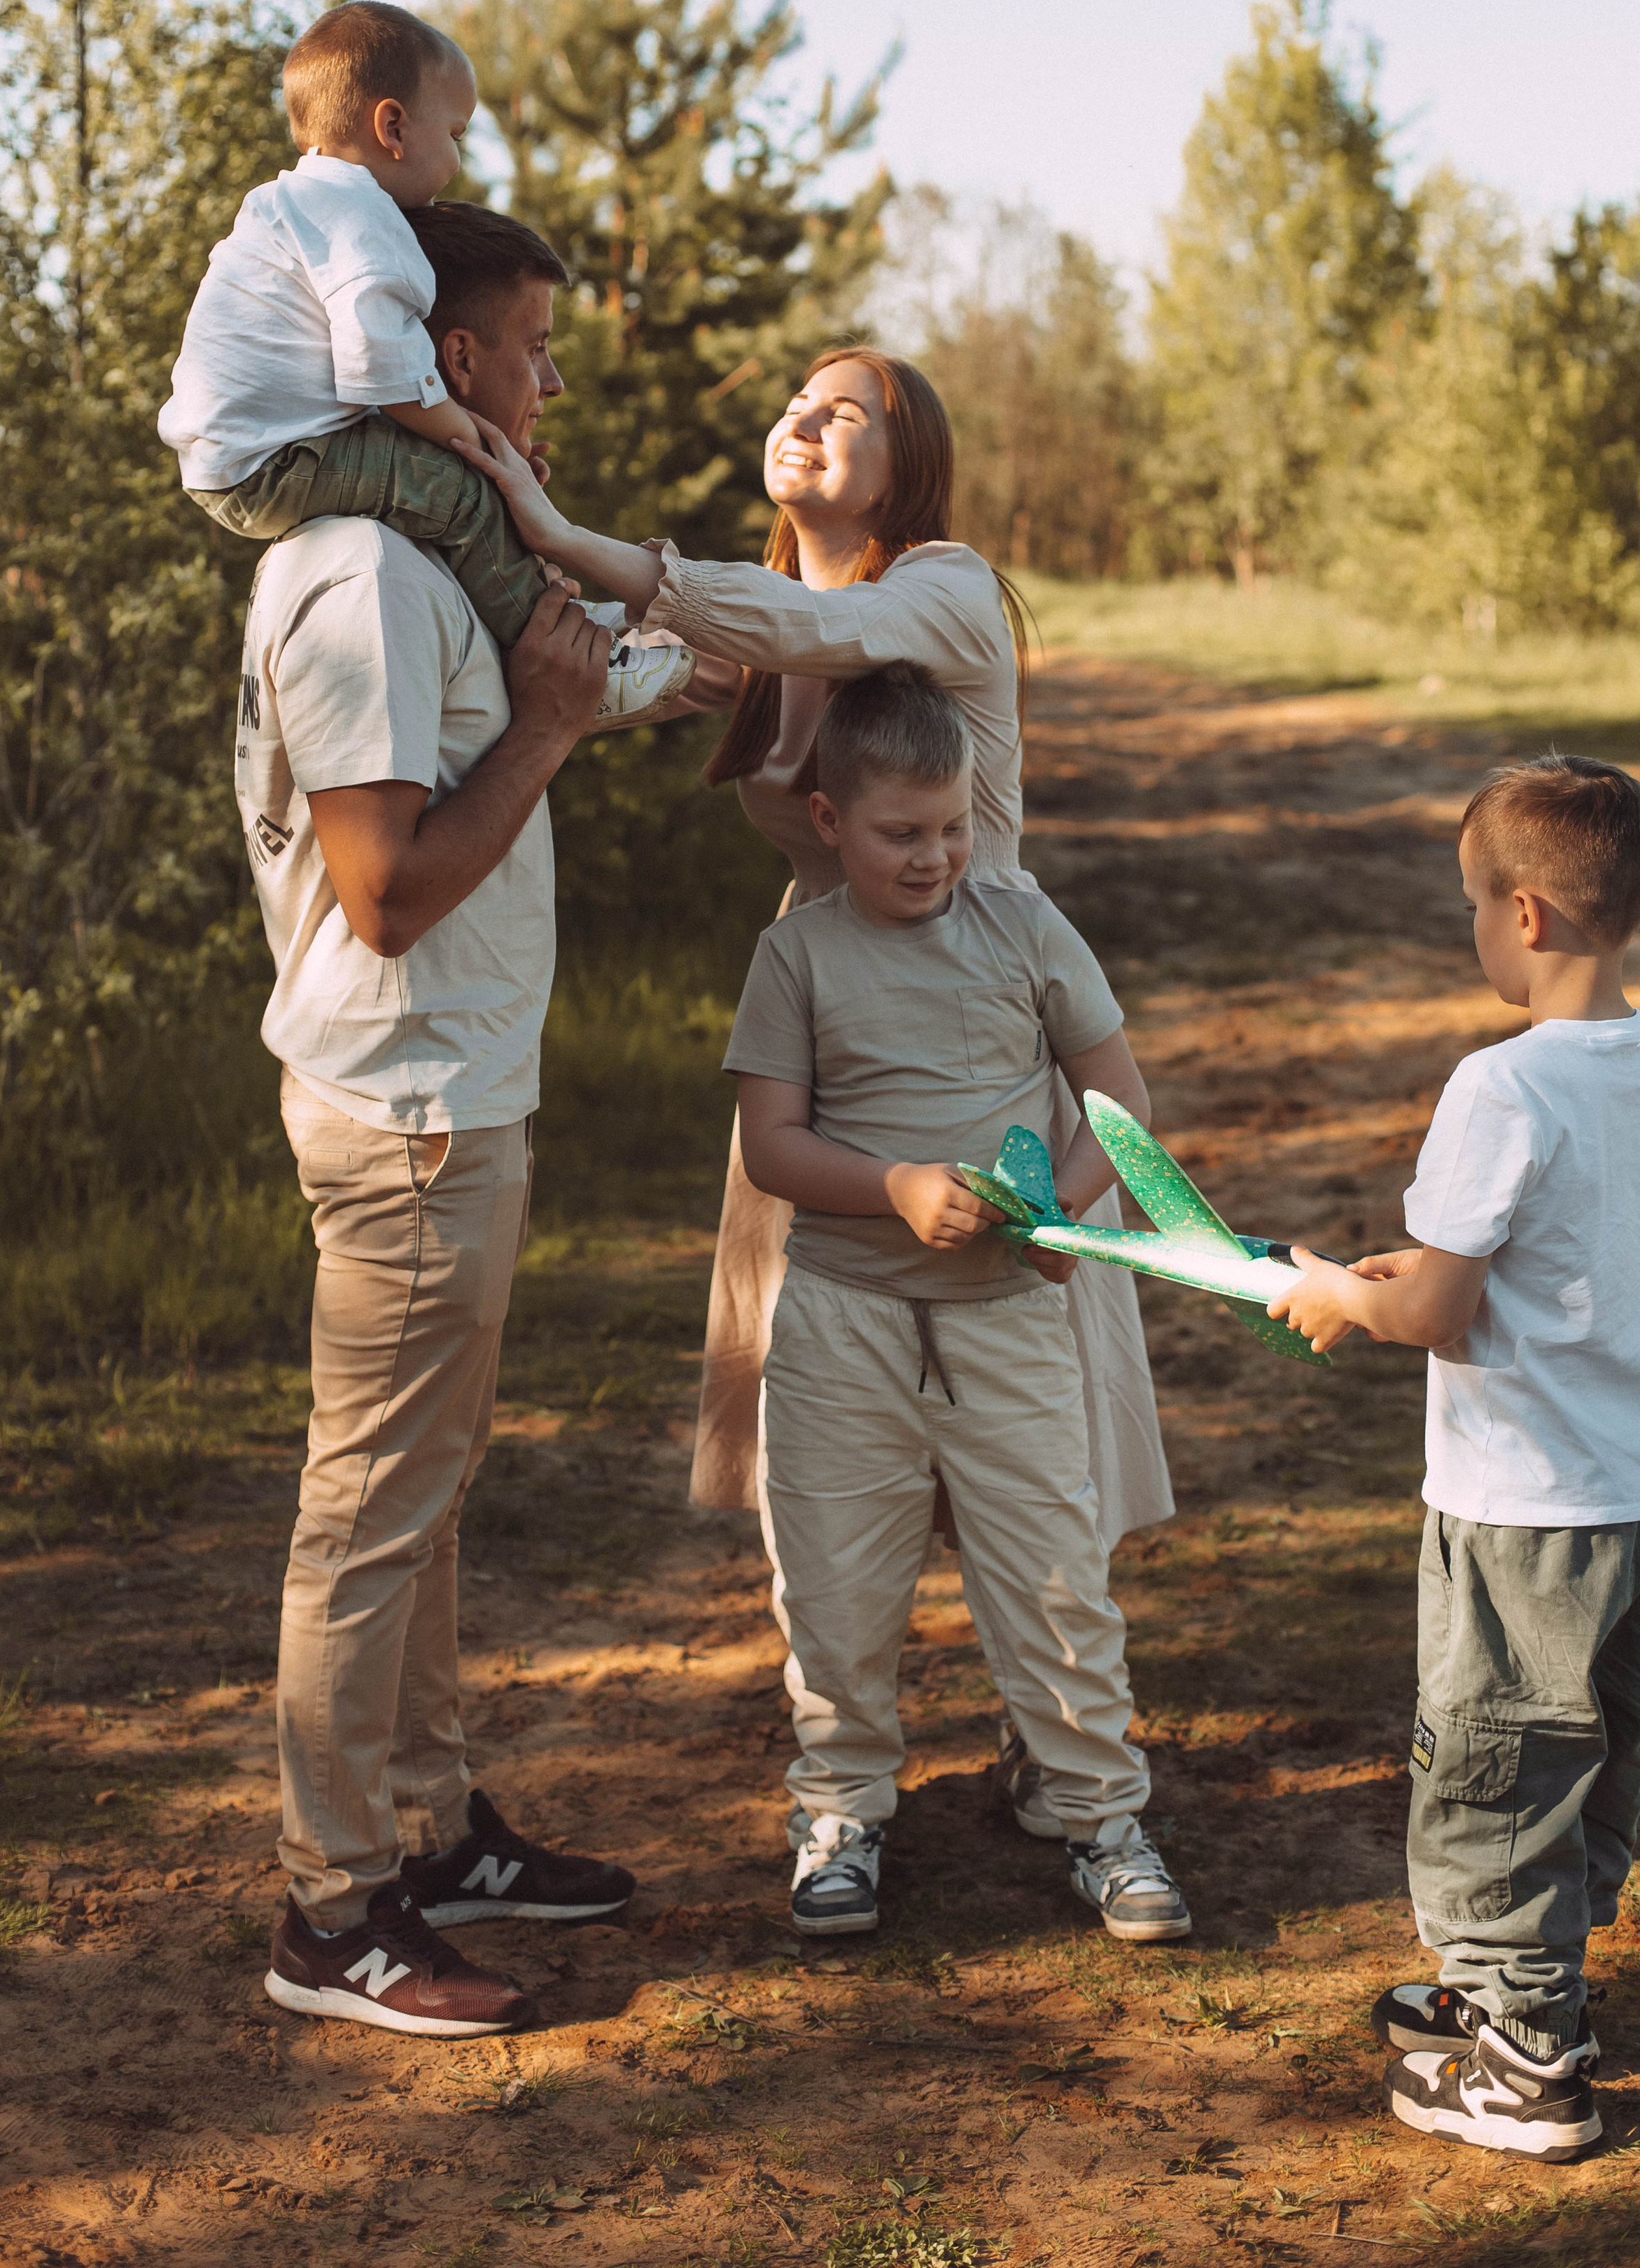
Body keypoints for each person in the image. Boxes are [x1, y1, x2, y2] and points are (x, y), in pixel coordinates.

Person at [447, 347, 1175, 1837]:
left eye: (842, 408)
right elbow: (609, 665)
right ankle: (849, 1758)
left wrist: (598, 545)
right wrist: (474, 542)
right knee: (838, 1400)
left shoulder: (941, 588)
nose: (802, 413)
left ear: (903, 465)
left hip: (980, 997)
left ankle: (1060, 1738)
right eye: (794, 396)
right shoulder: (759, 631)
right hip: (828, 1007)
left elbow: (786, 616)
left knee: (1018, 1403)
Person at [232, 200, 640, 2041]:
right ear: (450, 363)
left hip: (453, 1096)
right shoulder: (367, 580)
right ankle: (334, 1913)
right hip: (402, 1111)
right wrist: (551, 735)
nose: (550, 386)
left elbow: (565, 686)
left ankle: (430, 1823)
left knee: (426, 1493)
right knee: (372, 1512)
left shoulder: (427, 558)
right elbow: (388, 888)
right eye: (534, 352)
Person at [1275, 754, 1640, 2164]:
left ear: (1522, 916)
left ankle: (1527, 2062)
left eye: (1469, 902)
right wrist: (1412, 1274)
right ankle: (1507, 1984)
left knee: (1493, 1765)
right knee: (1579, 1761)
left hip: (1516, 1507)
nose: (1467, 926)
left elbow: (1435, 1311)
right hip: (1629, 1499)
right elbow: (1573, 1253)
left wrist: (1339, 1293)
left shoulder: (1498, 1086)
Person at [723, 663, 1189, 1939]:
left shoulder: (1027, 929)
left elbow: (1119, 1103)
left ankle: (1099, 1815)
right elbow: (773, 1147)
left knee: (1054, 1576)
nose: (934, 858)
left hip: (1010, 1321)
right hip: (839, 1328)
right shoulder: (796, 955)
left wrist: (1067, 1221)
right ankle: (841, 1813)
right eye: (900, 835)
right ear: (830, 823)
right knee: (833, 1585)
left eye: (953, 828)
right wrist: (897, 1186)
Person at [160, 0, 687, 724]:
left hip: (243, 455)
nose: (459, 159)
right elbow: (381, 367)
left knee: (445, 486)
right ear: (393, 127)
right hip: (272, 461)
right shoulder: (361, 218)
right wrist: (466, 439)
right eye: (457, 133)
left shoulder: (286, 202)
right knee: (460, 493)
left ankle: (563, 625)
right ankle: (577, 665)